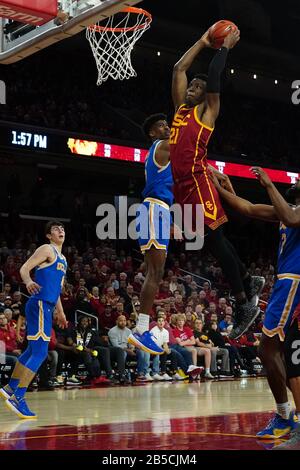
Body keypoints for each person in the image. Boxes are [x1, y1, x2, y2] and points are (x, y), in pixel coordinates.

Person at [169, 26, 264, 340]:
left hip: (197, 182)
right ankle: (248, 280)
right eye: (192, 86)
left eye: (199, 85)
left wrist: (223, 49)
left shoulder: (207, 112)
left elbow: (212, 74)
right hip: (181, 188)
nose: (194, 86)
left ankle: (243, 301)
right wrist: (201, 41)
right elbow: (178, 68)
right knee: (212, 244)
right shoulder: (180, 111)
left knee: (215, 239)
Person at [211, 168, 300, 438]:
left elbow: (290, 217)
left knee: (268, 349)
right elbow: (247, 208)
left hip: (293, 281)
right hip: (287, 281)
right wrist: (218, 188)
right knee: (280, 353)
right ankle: (286, 415)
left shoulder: (292, 212)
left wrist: (269, 185)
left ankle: (285, 416)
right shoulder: (290, 208)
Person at [0, 220, 68, 418]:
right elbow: (24, 269)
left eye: (62, 228)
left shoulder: (63, 259)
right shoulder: (47, 249)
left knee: (32, 350)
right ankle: (18, 397)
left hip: (46, 305)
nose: (60, 230)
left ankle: (11, 388)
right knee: (40, 352)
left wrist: (61, 312)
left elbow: (56, 290)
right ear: (48, 235)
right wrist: (28, 281)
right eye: (56, 229)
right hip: (39, 304)